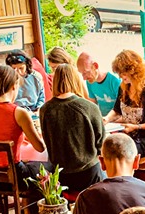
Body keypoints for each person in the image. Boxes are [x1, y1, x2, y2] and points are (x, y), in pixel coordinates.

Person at [39, 63, 106, 192]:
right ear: (76, 79)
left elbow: (47, 141)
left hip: (60, 176)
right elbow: (100, 144)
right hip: (89, 173)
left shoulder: (45, 110)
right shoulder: (89, 107)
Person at [0, 65, 46, 179]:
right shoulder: (18, 112)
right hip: (12, 173)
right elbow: (40, 148)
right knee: (49, 166)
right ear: (14, 86)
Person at [104, 50, 145, 157]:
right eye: (119, 73)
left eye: (123, 73)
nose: (121, 76)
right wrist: (106, 119)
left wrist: (136, 127)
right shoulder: (123, 88)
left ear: (133, 71)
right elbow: (117, 110)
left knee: (122, 151)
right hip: (131, 137)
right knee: (106, 145)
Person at [77, 51, 121, 117]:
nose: (84, 78)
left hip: (117, 120)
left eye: (86, 72)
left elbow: (123, 107)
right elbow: (92, 104)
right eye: (82, 74)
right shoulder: (90, 82)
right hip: (102, 120)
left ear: (95, 66)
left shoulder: (114, 80)